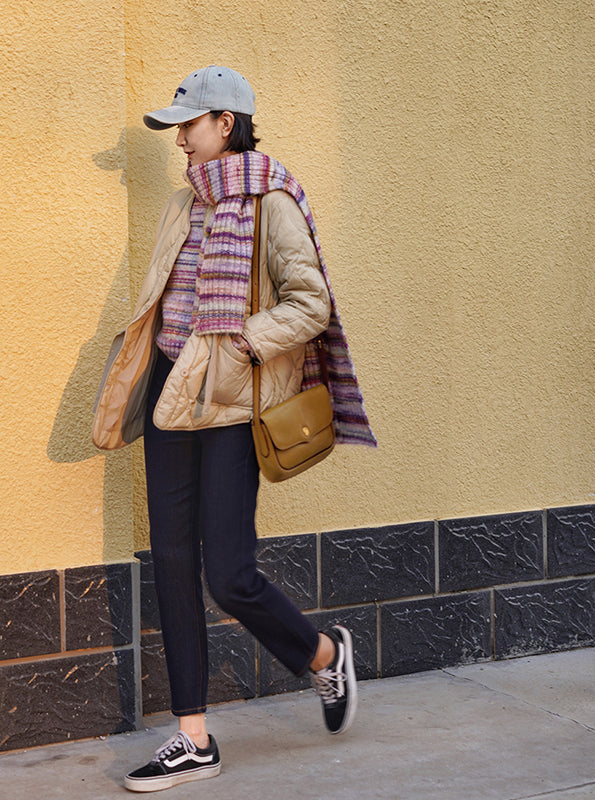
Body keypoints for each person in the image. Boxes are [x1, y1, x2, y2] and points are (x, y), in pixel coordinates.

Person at [99, 65, 377, 793]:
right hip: (171, 395)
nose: (179, 143)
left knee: (228, 573)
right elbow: (164, 295)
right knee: (170, 562)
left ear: (226, 123)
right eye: (175, 130)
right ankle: (192, 737)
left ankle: (322, 655)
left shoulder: (271, 200)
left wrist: (243, 339)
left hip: (230, 405)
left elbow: (310, 302)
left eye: (187, 127)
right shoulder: (183, 202)